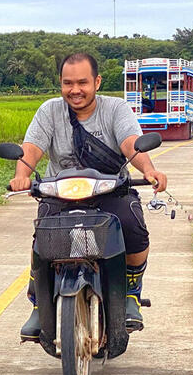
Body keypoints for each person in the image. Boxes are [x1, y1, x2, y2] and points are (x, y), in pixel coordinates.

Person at [10, 53, 167, 340]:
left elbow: (131, 143)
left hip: (109, 189)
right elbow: (31, 147)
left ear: (96, 82)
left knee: (133, 228)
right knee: (42, 240)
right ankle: (38, 304)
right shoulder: (49, 111)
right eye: (68, 83)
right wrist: (22, 174)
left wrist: (149, 169)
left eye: (82, 82)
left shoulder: (116, 109)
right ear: (60, 84)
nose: (75, 90)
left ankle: (131, 292)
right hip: (61, 191)